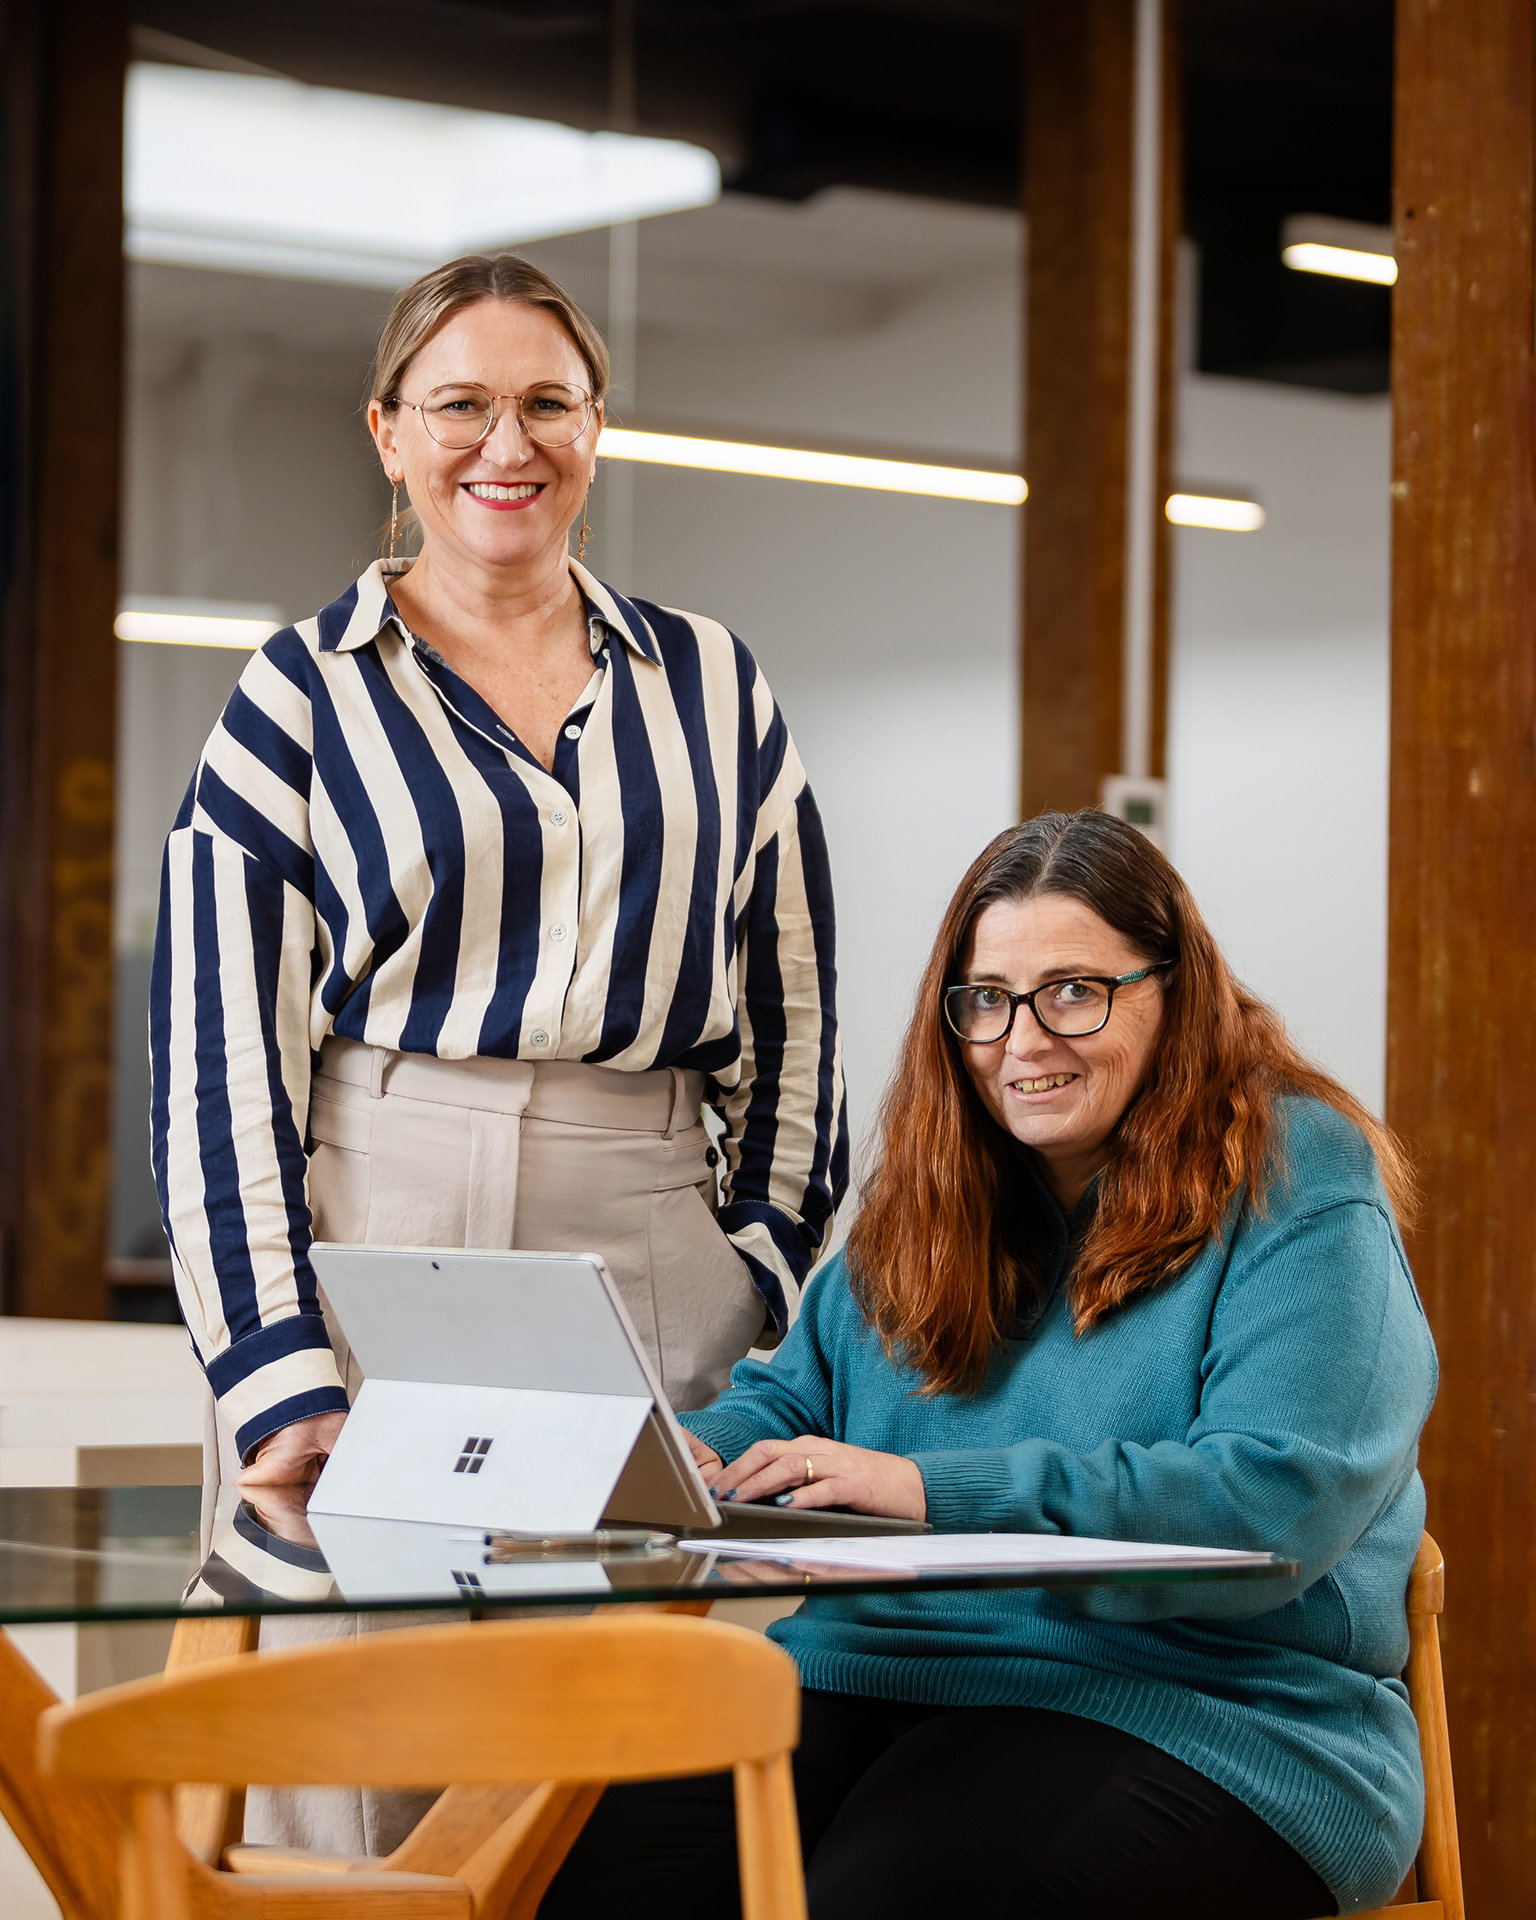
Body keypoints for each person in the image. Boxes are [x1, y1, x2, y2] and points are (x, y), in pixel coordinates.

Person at [150, 251, 845, 1850]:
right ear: (388, 433)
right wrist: (272, 1370)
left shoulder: (718, 690)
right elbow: (217, 1070)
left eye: (547, 403)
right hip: (380, 1242)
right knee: (377, 1761)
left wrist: (755, 1273)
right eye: (459, 404)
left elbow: (799, 1026)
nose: (504, 442)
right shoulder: (292, 701)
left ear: (599, 432)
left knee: (645, 1766)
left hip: (656, 1238)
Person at [541, 809, 1437, 1920]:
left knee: (878, 1899)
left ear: (1177, 990)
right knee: (594, 1875)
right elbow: (793, 1394)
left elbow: (1271, 1506)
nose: (1023, 1042)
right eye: (987, 1001)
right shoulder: (939, 1181)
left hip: (1208, 1709)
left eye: (1075, 991)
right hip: (873, 1672)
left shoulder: (1298, 1177)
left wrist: (932, 1495)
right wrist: (690, 1457)